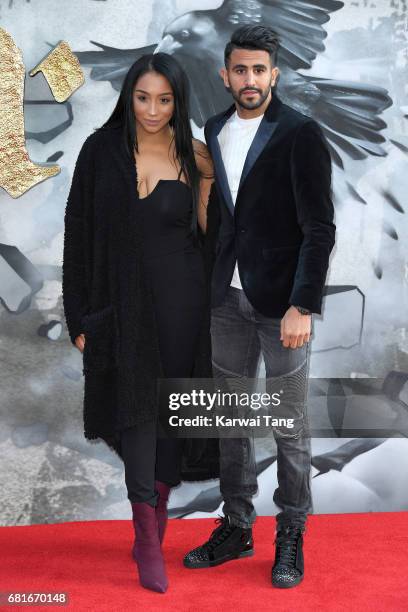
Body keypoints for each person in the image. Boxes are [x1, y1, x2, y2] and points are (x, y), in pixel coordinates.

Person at [183, 25, 336, 588]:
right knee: (232, 420)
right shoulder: (215, 127)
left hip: (282, 307)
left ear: (275, 74)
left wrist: (303, 304)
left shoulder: (301, 133)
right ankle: (237, 524)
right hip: (227, 300)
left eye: (259, 70)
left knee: (289, 425)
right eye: (240, 70)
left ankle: (290, 533)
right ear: (226, 75)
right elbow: (225, 217)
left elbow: (319, 228)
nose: (250, 80)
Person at [62, 52, 216, 593]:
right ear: (129, 96)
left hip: (184, 302)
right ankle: (146, 534)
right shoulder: (100, 152)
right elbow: (77, 236)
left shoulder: (193, 153)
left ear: (179, 101)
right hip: (122, 306)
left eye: (165, 99)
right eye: (143, 97)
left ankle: (153, 523)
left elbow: (204, 232)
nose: (153, 109)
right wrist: (77, 315)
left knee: (172, 411)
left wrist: (208, 180)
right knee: (133, 411)